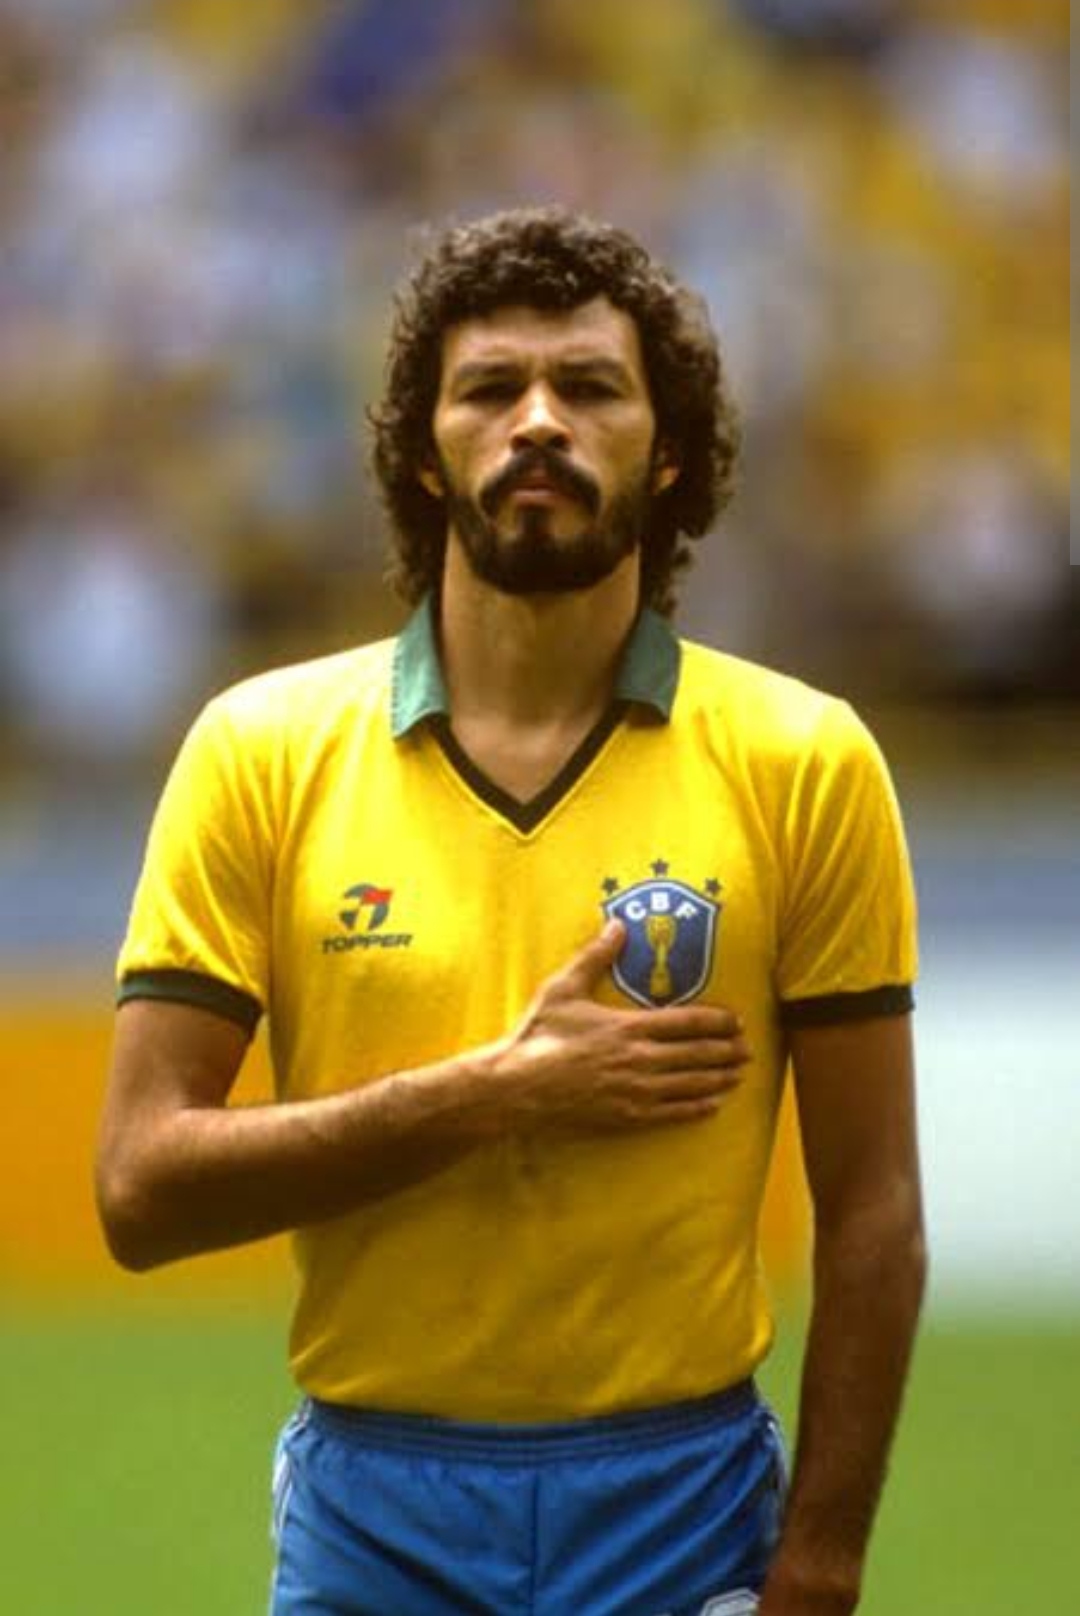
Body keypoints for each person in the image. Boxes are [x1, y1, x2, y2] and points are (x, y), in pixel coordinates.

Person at [96, 207, 926, 1616]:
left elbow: (874, 1208)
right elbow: (137, 1190)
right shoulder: (260, 751)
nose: (538, 420)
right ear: (426, 453)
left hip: (684, 1512)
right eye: (489, 388)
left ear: (668, 452)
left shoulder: (804, 759)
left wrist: (825, 1562)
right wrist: (497, 1093)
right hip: (376, 1521)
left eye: (590, 387)